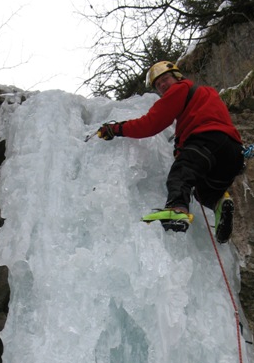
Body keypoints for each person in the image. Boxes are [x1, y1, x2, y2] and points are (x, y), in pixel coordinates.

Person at [96, 61, 244, 240]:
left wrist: (116, 129)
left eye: (165, 79)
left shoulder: (180, 89)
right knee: (202, 191)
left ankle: (177, 210)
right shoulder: (207, 93)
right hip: (233, 152)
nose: (163, 86)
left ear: (177, 77)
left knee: (180, 175)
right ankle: (221, 202)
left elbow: (150, 124)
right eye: (158, 85)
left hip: (206, 141)